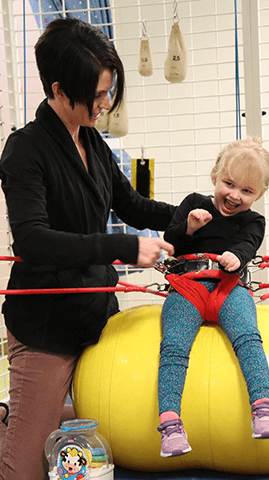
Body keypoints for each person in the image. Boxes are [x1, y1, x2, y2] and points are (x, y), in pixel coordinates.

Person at [0, 18, 175, 480]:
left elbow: (133, 205)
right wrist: (121, 247)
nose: (105, 104)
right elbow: (34, 241)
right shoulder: (25, 150)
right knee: (23, 473)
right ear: (59, 90)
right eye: (96, 95)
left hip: (96, 315)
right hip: (45, 327)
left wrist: (198, 215)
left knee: (99, 443)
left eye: (109, 91)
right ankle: (11, 424)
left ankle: (26, 419)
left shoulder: (92, 140)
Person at [156, 137, 269, 458]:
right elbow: (170, 241)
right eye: (229, 183)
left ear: (260, 194)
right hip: (187, 287)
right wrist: (188, 226)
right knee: (173, 348)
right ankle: (170, 423)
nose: (234, 196)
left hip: (229, 288)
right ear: (215, 174)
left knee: (249, 339)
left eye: (246, 191)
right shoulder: (193, 203)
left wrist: (237, 257)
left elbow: (249, 244)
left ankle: (263, 408)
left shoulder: (254, 220)